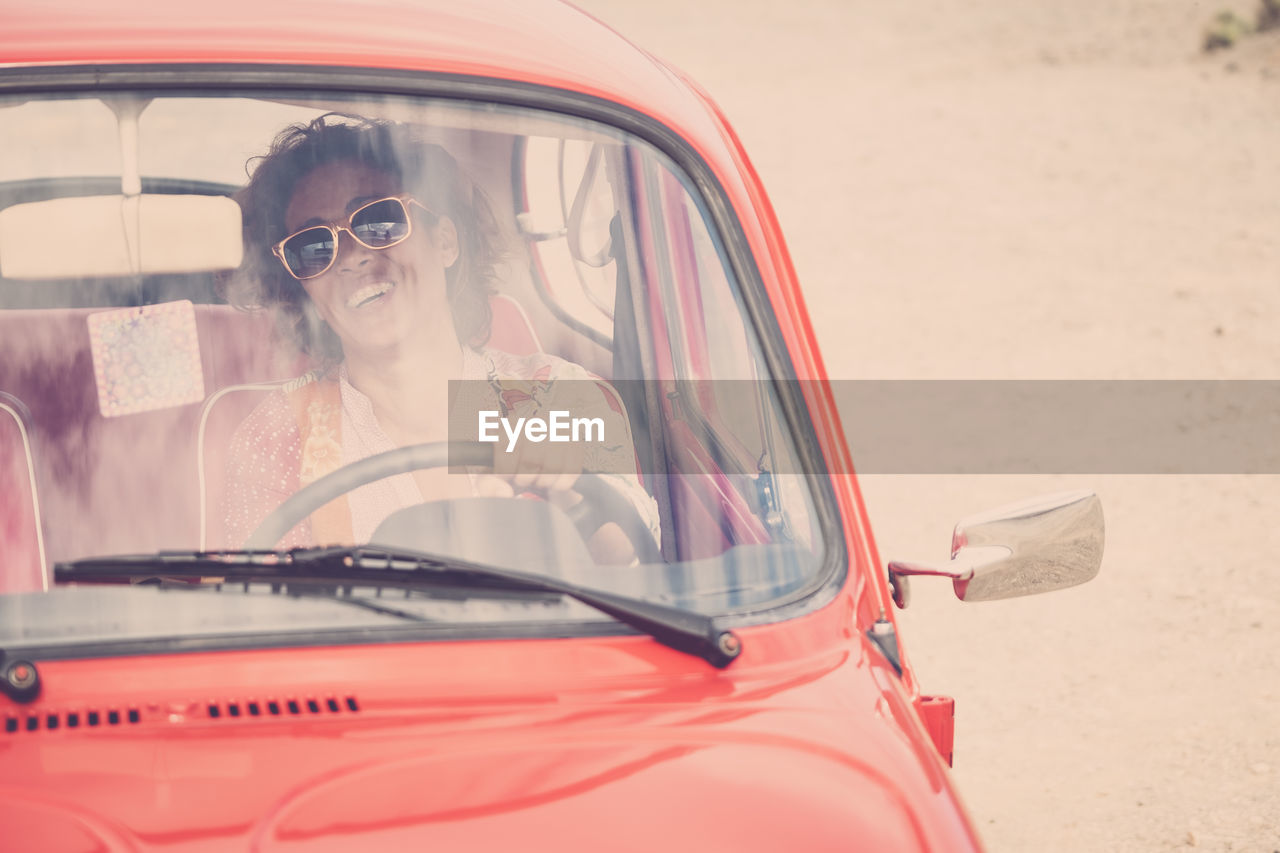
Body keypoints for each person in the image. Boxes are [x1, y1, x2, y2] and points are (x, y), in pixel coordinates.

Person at [223, 114, 656, 561]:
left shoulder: (553, 394)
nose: (350, 257)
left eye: (378, 222)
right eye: (313, 247)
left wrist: (571, 500)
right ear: (305, 289)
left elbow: (636, 564)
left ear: (446, 241)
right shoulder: (277, 436)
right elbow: (265, 608)